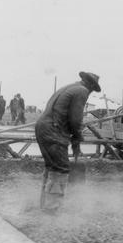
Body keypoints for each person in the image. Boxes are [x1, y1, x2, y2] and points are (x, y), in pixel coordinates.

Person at [35, 71, 101, 213]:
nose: (90, 93)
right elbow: (75, 120)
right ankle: (52, 209)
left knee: (51, 166)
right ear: (89, 85)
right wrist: (77, 138)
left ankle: (45, 205)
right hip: (53, 129)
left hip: (43, 126)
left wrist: (75, 140)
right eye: (92, 89)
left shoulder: (69, 87)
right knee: (61, 168)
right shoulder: (82, 91)